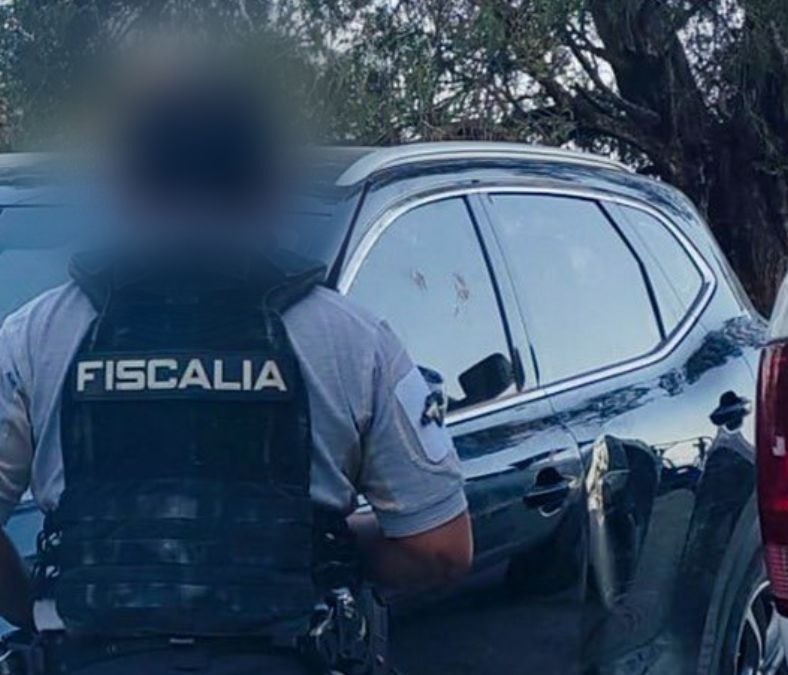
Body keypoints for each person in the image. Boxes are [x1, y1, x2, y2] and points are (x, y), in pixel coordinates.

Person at [0, 59, 473, 674]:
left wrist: (34, 609)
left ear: (130, 185)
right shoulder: (355, 340)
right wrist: (313, 546)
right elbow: (440, 549)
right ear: (265, 183)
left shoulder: (36, 334)